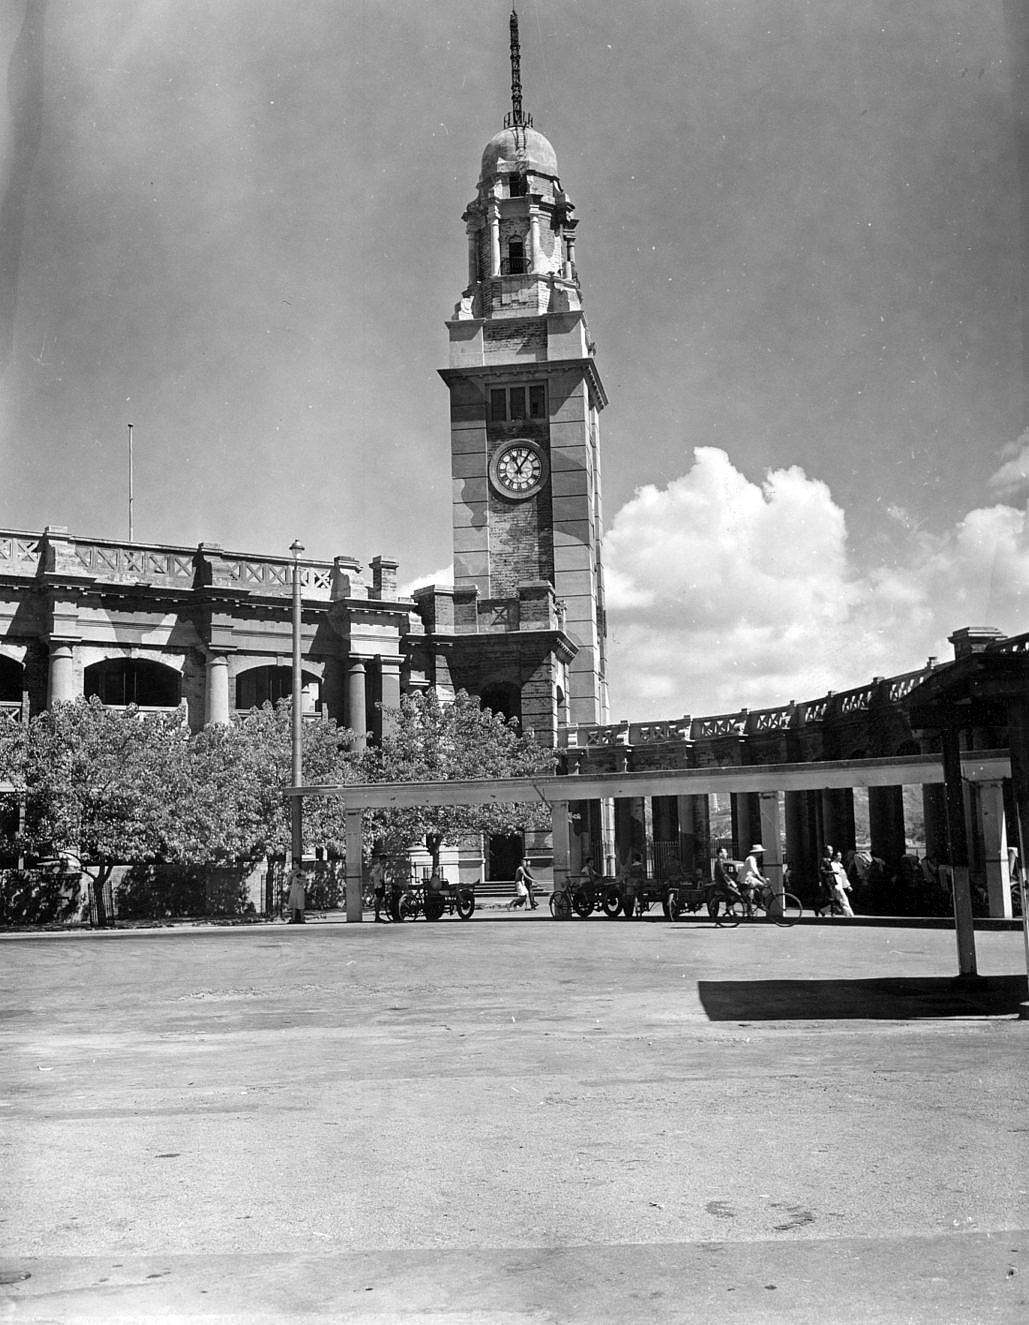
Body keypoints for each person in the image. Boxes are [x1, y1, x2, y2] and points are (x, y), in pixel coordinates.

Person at [737, 844, 767, 908]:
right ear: (756, 852)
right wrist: (761, 878)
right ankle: (759, 902)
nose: (761, 854)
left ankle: (754, 903)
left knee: (751, 893)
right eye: (760, 852)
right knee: (762, 885)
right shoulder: (751, 859)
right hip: (746, 879)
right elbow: (754, 870)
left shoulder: (752, 858)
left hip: (749, 878)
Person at [830, 849, 855, 917]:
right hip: (836, 885)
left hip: (839, 885)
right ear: (835, 856)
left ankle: (822, 910)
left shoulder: (840, 864)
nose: (840, 857)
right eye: (839, 855)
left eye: (840, 855)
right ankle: (849, 914)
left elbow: (843, 876)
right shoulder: (831, 865)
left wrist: (847, 886)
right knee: (844, 899)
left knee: (835, 900)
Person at [370, 855, 389, 923]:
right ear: (382, 859)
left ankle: (377, 916)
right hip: (378, 885)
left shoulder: (381, 866)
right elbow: (372, 874)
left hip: (380, 884)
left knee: (380, 899)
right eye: (385, 860)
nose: (386, 861)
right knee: (378, 900)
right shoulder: (378, 866)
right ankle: (377, 916)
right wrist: (378, 880)